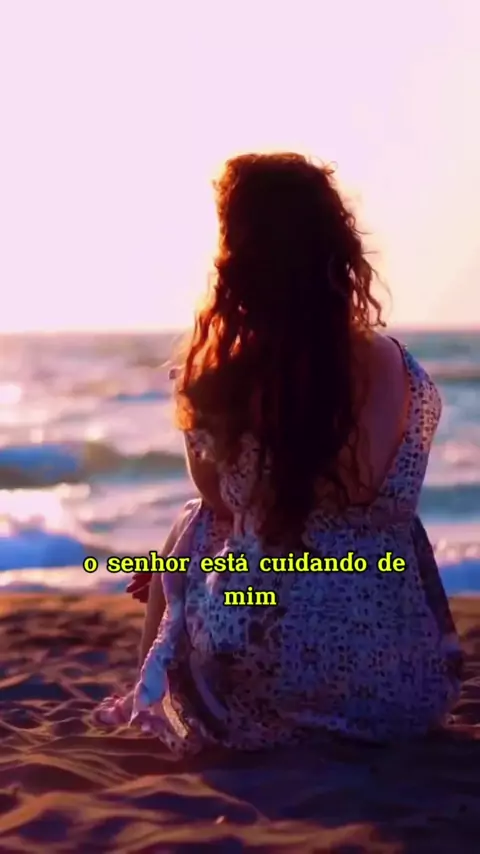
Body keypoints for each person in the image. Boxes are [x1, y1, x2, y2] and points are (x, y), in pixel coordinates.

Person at [95, 152, 461, 754]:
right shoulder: (394, 364)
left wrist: (180, 573)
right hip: (397, 684)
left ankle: (154, 698)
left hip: (266, 672)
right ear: (336, 249)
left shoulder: (224, 375)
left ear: (240, 257)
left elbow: (220, 503)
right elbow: (373, 494)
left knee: (192, 525)